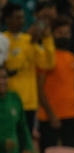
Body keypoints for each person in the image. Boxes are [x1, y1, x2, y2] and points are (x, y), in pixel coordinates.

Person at [3, 2, 56, 133]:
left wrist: (48, 38)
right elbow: (12, 67)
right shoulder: (3, 40)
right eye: (18, 18)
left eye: (22, 17)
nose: (22, 21)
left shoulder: (27, 39)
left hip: (29, 102)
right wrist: (30, 43)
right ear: (7, 19)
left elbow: (48, 64)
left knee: (26, 142)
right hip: (10, 100)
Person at [37, 16, 74, 153]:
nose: (63, 36)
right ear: (52, 34)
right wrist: (51, 115)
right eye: (59, 32)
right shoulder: (46, 56)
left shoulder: (72, 57)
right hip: (49, 117)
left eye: (67, 33)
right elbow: (39, 88)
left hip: (71, 115)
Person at [0, 65, 33, 153]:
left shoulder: (14, 98)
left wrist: (27, 147)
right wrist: (1, 143)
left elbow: (22, 126)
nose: (2, 81)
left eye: (4, 77)